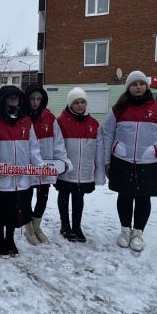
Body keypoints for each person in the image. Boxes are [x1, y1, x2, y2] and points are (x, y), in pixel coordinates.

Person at [102, 71, 157, 251]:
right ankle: (125, 230)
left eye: (141, 84)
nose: (138, 87)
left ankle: (138, 233)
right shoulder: (117, 109)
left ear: (146, 86)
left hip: (149, 162)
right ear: (129, 87)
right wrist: (106, 160)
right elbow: (107, 135)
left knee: (144, 198)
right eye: (134, 84)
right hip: (122, 160)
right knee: (124, 196)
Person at [0, 86, 43, 258]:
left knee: (14, 212)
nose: (13, 102)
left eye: (16, 99)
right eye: (10, 99)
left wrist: (39, 166)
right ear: (3, 100)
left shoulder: (26, 121)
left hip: (21, 177)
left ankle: (10, 239)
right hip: (2, 177)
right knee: (0, 212)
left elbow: (34, 148)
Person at [56, 87, 104, 243]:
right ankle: (65, 226)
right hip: (66, 169)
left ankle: (76, 227)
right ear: (70, 104)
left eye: (82, 102)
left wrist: (97, 168)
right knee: (64, 196)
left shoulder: (93, 123)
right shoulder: (61, 122)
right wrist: (61, 165)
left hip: (84, 170)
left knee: (78, 198)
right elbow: (57, 145)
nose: (80, 105)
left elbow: (98, 149)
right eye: (76, 102)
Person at [24, 84, 71, 245]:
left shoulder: (50, 118)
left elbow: (58, 143)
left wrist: (62, 161)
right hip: (28, 167)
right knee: (26, 198)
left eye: (38, 99)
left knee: (43, 198)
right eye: (32, 99)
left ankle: (37, 226)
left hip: (47, 166)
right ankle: (28, 227)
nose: (35, 102)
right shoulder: (22, 117)